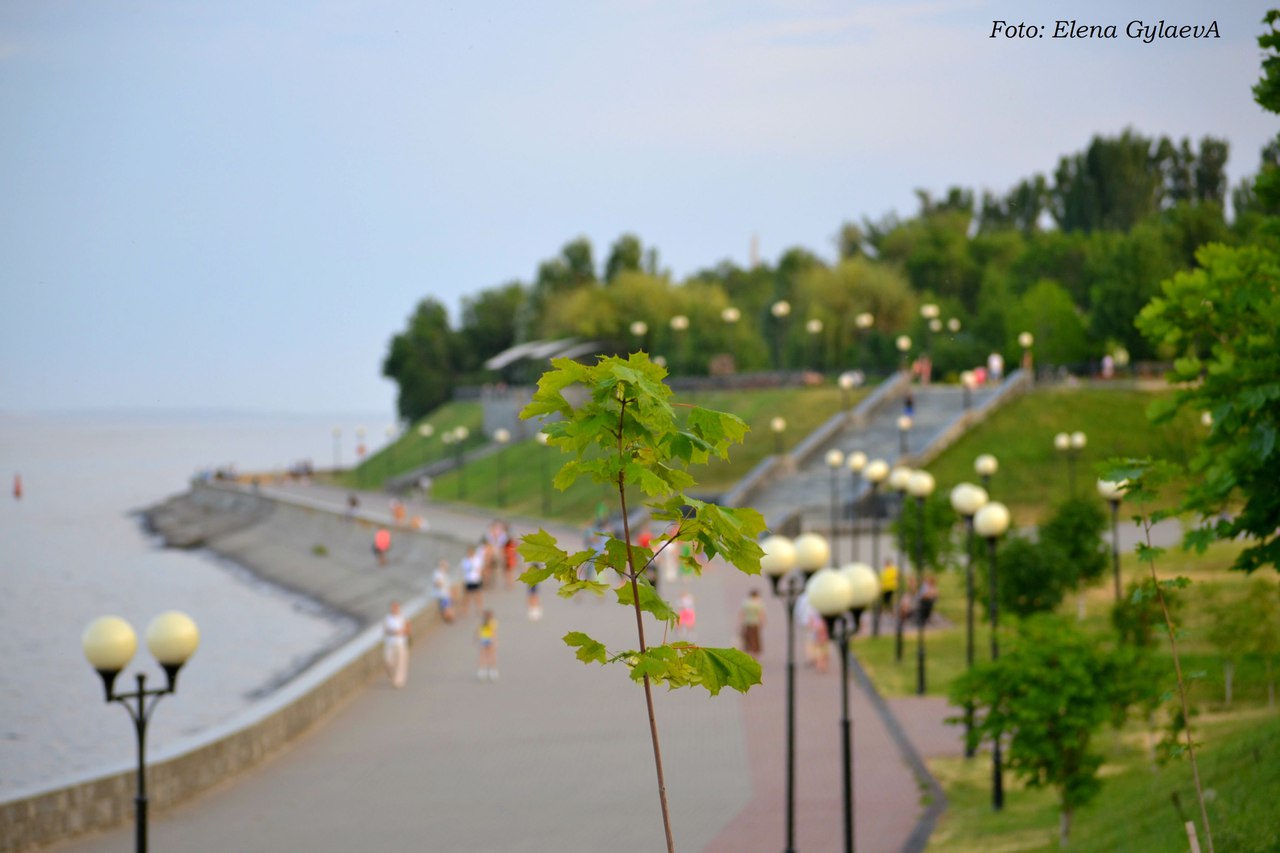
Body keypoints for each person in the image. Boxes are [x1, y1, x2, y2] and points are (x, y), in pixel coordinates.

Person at [382, 601, 411, 688]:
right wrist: (393, 632)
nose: (394, 609)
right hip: (390, 644)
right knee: (388, 662)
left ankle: (398, 681)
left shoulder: (404, 617)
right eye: (392, 607)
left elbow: (408, 630)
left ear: (398, 608)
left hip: (400, 643)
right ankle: (391, 675)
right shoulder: (387, 618)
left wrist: (401, 632)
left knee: (400, 663)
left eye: (395, 607)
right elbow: (385, 630)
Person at [739, 589, 766, 657]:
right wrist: (763, 622)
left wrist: (741, 623)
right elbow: (761, 614)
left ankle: (749, 652)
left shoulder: (746, 602)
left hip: (747, 623)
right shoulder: (758, 603)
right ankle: (754, 653)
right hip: (755, 623)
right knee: (755, 638)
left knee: (748, 638)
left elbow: (742, 613)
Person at [460, 545, 484, 615]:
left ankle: (479, 608)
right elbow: (463, 571)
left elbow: (480, 569)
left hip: (476, 579)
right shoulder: (465, 561)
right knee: (467, 596)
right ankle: (465, 610)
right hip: (468, 580)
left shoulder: (477, 560)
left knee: (478, 595)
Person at [477, 610, 498, 680]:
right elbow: (494, 632)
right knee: (491, 655)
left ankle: (482, 671)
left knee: (483, 656)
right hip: (490, 639)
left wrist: (478, 639)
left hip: (483, 639)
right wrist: (495, 641)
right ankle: (492, 671)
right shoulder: (492, 623)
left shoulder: (482, 623)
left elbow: (479, 632)